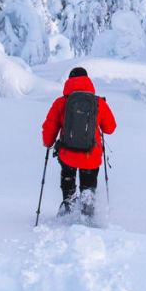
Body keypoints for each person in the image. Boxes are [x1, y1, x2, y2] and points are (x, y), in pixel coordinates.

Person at [41, 66, 116, 218]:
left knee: (68, 174)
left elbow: (50, 126)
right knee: (88, 183)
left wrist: (48, 143)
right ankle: (87, 210)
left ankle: (68, 204)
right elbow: (110, 128)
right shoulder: (98, 102)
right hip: (91, 155)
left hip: (67, 153)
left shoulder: (61, 102)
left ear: (69, 81)